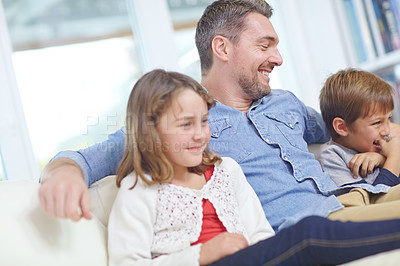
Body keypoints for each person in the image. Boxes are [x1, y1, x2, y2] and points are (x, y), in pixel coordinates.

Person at [39, 0, 400, 231]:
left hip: (351, 203)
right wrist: (64, 172)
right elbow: (88, 157)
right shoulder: (185, 124)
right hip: (301, 231)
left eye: (276, 45)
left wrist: (381, 146)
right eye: (265, 45)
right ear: (222, 48)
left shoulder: (285, 103)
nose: (278, 58)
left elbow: (348, 129)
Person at [108, 68, 400, 266]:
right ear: (150, 130)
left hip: (254, 258)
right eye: (186, 124)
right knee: (309, 232)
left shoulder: (226, 171)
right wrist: (202, 253)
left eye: (204, 121)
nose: (200, 134)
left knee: (304, 235)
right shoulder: (138, 190)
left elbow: (260, 234)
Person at [317, 69, 400, 221]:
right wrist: (394, 157)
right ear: (342, 127)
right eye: (377, 123)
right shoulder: (333, 155)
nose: (386, 130)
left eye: (388, 119)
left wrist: (380, 159)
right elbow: (372, 200)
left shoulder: (380, 142)